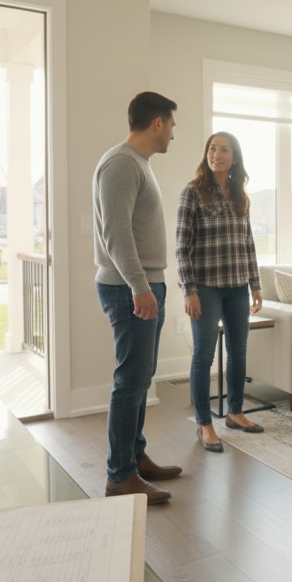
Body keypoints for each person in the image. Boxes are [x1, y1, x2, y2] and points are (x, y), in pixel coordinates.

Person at [93, 91, 184, 504]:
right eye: (172, 126)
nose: (173, 135)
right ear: (158, 123)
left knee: (141, 378)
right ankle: (120, 476)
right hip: (130, 286)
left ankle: (135, 457)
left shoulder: (138, 164)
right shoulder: (120, 164)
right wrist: (139, 287)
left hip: (145, 283)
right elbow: (117, 234)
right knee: (130, 382)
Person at [176, 132, 265, 452]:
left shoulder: (241, 194)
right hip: (206, 288)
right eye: (212, 149)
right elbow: (181, 246)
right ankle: (204, 423)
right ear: (206, 155)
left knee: (239, 352)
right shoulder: (193, 192)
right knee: (203, 356)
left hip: (238, 286)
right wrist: (188, 290)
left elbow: (248, 244)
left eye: (224, 150)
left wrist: (255, 284)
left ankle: (235, 412)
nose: (217, 154)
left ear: (234, 157)